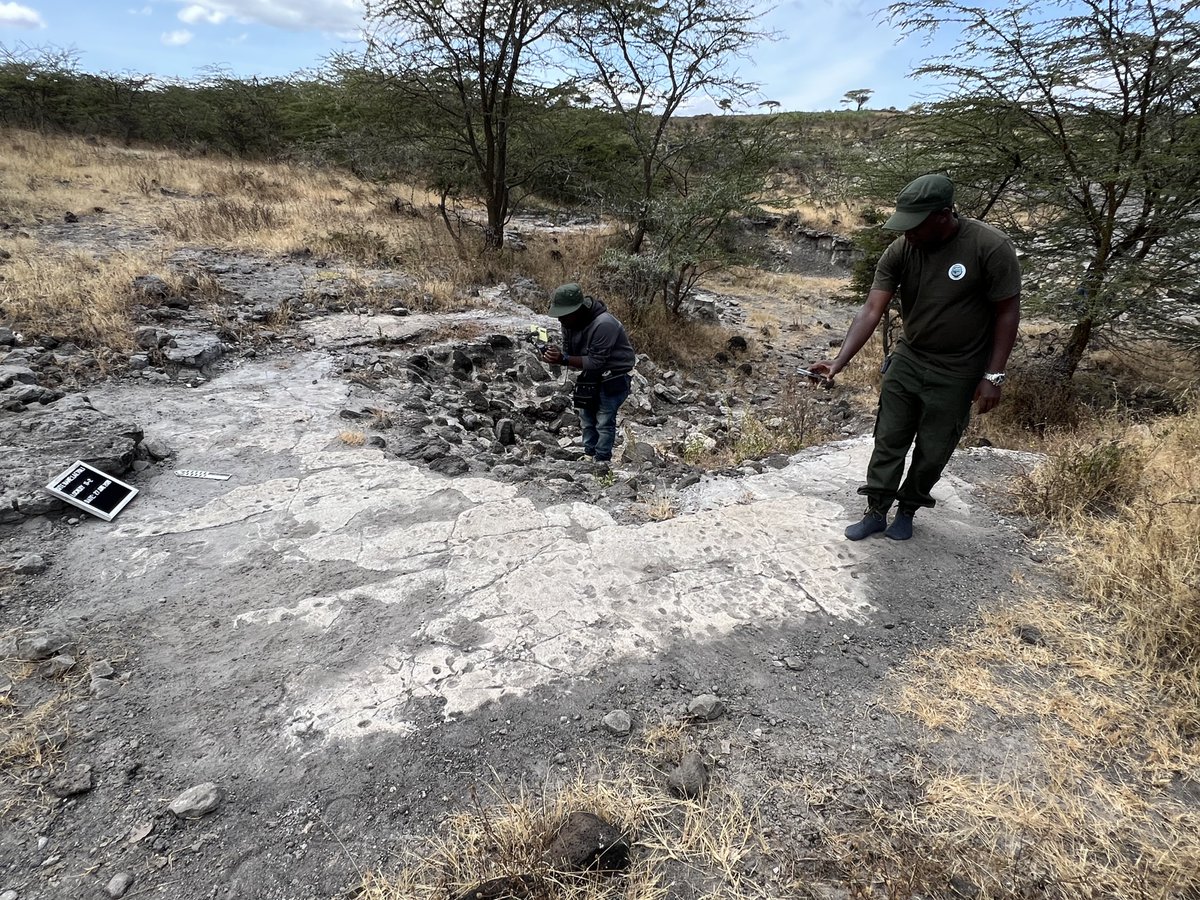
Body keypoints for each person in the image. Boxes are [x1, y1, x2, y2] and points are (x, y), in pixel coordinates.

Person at [810, 173, 1021, 541]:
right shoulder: (902, 249)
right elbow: (872, 309)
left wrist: (993, 376)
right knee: (889, 437)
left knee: (934, 447)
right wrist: (839, 361)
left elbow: (1007, 312)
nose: (908, 232)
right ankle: (876, 510)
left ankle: (907, 510)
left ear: (942, 215)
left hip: (959, 368)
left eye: (916, 224)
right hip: (910, 358)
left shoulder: (990, 246)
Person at [541, 283, 637, 465]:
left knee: (604, 420)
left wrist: (563, 359)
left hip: (614, 376)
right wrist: (555, 355)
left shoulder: (605, 324)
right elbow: (571, 354)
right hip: (591, 375)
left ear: (577, 311)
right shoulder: (569, 322)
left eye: (564, 316)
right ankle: (589, 454)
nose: (560, 320)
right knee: (586, 418)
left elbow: (595, 361)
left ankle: (602, 460)